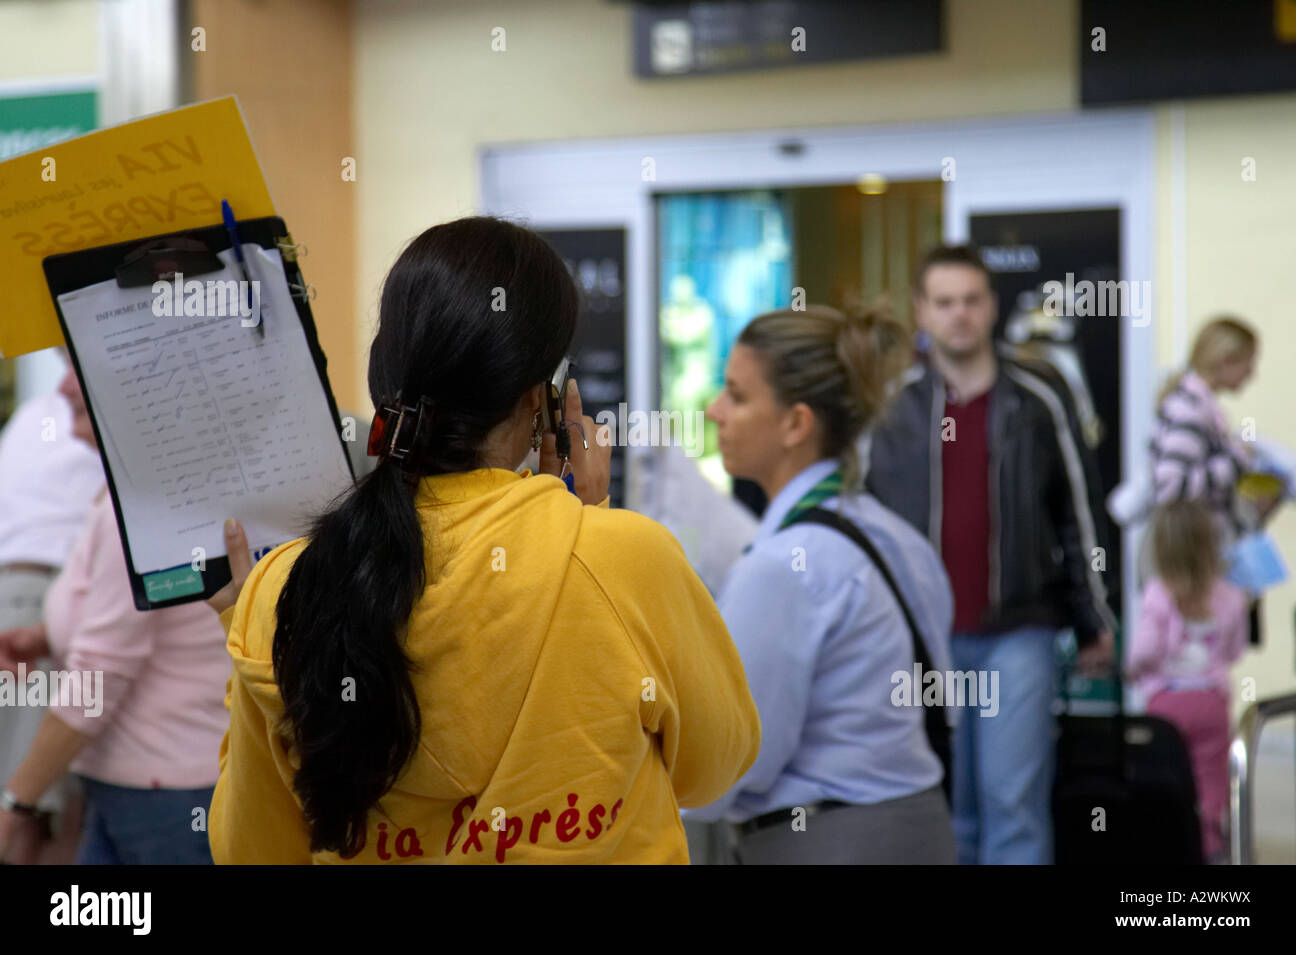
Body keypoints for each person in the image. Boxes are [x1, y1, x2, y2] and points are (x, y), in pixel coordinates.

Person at [206, 216, 760, 864]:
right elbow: (714, 767)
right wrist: (588, 521)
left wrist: (246, 625)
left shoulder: (288, 588)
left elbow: (251, 850)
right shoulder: (625, 560)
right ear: (540, 401)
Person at [865, 244, 1118, 865]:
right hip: (922, 640)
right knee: (948, 808)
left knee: (1013, 803)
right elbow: (861, 520)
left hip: (1018, 631)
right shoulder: (891, 405)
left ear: (991, 306)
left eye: (971, 300)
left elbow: (1080, 510)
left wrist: (1095, 618)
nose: (959, 315)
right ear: (922, 311)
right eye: (944, 302)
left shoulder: (1040, 392)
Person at [683, 304, 956, 865]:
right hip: (921, 828)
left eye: (736, 395)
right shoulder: (899, 537)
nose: (714, 411)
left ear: (796, 424)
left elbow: (733, 761)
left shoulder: (782, 565)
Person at [0, 362, 229, 865]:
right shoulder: (138, 489)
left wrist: (14, 802)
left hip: (165, 803)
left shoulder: (143, 506)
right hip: (140, 795)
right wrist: (42, 637)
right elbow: (140, 616)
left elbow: (98, 678)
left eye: (77, 365)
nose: (60, 386)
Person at [0, 353, 104, 864]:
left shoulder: (28, 416)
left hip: (11, 591)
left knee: (21, 777)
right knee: (41, 792)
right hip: (51, 593)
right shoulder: (99, 410)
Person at [1126, 499, 1248, 863]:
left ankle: (1165, 845)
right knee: (1211, 786)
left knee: (1163, 783)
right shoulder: (1230, 596)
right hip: (1211, 701)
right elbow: (1234, 650)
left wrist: (1134, 670)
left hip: (1166, 705)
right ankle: (1211, 849)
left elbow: (1143, 651)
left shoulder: (1159, 594)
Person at [1150, 317, 1267, 538]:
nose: (1252, 374)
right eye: (1249, 363)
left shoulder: (1201, 405)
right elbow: (1170, 489)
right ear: (1225, 360)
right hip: (1189, 555)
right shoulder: (1188, 408)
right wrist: (1236, 460)